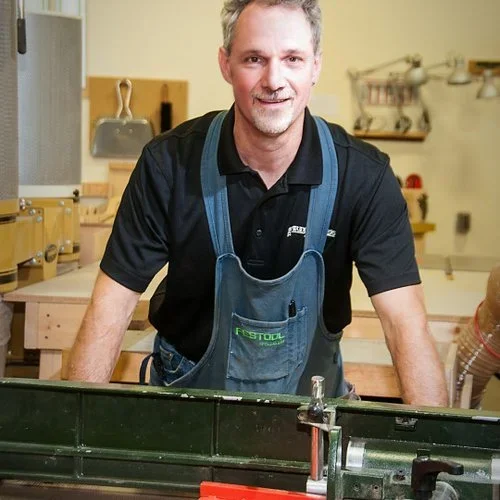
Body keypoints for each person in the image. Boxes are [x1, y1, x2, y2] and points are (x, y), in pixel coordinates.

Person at [68, 0, 448, 406]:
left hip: (312, 409)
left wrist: (431, 453)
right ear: (226, 64)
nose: (274, 79)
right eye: (254, 59)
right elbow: (111, 306)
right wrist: (71, 439)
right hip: (187, 400)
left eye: (293, 58)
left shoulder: (365, 178)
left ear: (315, 66)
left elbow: (405, 324)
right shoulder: (169, 165)